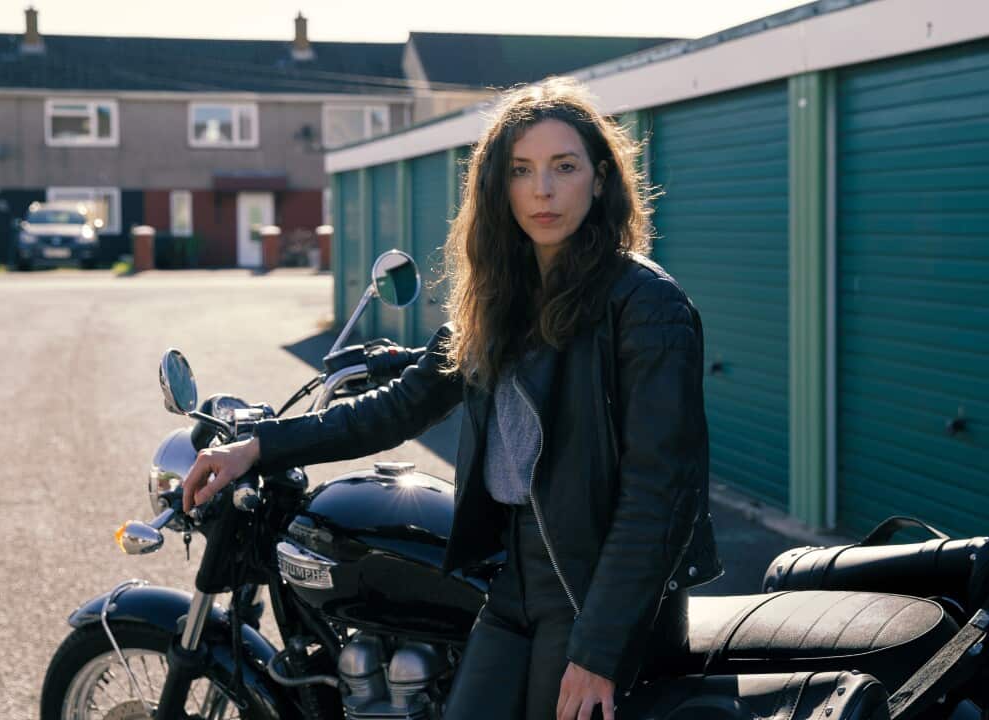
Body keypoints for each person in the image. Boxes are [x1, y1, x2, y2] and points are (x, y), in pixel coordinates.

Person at [181, 76, 722, 720]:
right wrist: (259, 447)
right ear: (498, 186)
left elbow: (659, 496)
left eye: (564, 167)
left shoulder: (646, 306)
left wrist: (600, 649)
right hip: (514, 577)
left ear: (600, 179)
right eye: (522, 170)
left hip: (596, 587)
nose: (542, 190)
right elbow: (399, 406)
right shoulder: (500, 297)